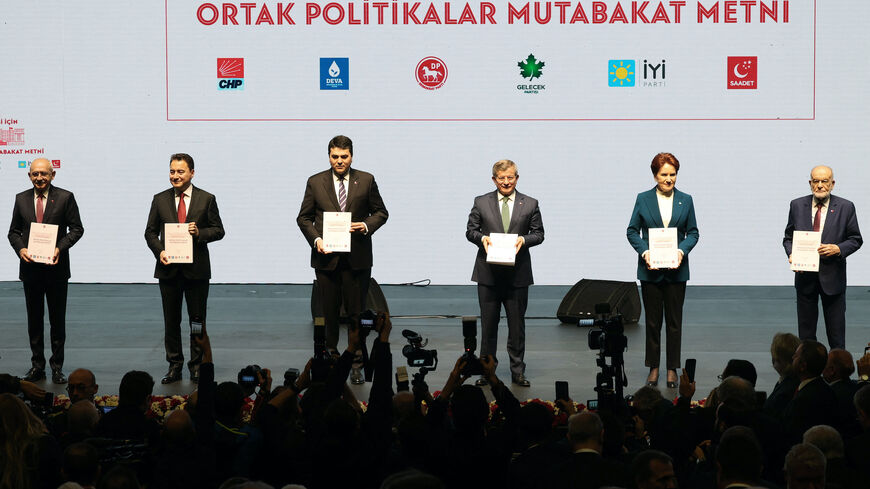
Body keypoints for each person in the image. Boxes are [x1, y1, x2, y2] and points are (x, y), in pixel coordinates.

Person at [296, 135, 388, 384]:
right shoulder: (315, 182)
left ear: (351, 156)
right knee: (329, 315)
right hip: (326, 260)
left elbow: (381, 212)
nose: (339, 161)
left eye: (344, 157)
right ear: (329, 156)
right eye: (335, 156)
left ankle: (356, 363)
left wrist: (366, 225)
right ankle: (331, 360)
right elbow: (303, 218)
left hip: (357, 259)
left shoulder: (366, 180)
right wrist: (317, 240)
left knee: (357, 315)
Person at [145, 153, 225, 384]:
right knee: (171, 321)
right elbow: (150, 232)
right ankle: (174, 365)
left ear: (192, 172)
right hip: (168, 270)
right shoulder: (159, 199)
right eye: (172, 171)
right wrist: (159, 251)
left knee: (197, 320)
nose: (175, 176)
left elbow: (218, 230)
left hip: (196, 271)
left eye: (180, 171)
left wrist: (200, 233)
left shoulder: (206, 198)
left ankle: (197, 365)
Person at [466, 159, 544, 387]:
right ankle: (486, 371)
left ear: (517, 178)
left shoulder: (530, 203)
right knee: (488, 327)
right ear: (494, 180)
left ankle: (517, 371)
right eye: (502, 178)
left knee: (517, 328)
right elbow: (470, 231)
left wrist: (524, 239)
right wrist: (482, 239)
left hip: (517, 276)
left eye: (510, 177)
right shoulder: (481, 202)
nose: (506, 182)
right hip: (488, 276)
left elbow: (539, 234)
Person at [8, 157, 84, 384]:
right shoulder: (21, 199)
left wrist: (59, 248)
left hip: (56, 269)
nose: (39, 178)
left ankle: (57, 367)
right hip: (30, 269)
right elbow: (13, 232)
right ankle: (37, 366)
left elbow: (77, 229)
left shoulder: (65, 197)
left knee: (57, 321)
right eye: (35, 174)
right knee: (34, 320)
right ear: (29, 176)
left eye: (44, 173)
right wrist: (21, 249)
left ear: (52, 174)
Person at [627, 152, 699, 388]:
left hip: (677, 271)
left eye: (673, 174)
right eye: (664, 174)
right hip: (650, 270)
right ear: (655, 175)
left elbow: (693, 233)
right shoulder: (643, 198)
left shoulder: (686, 199)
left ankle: (672, 368)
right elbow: (632, 231)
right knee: (653, 322)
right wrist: (645, 252)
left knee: (675, 322)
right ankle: (653, 367)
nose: (669, 179)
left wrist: (681, 251)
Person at [783, 165, 862, 350]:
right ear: (810, 183)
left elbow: (856, 239)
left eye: (824, 181)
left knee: (836, 337)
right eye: (816, 181)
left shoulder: (845, 207)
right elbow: (788, 238)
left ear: (832, 184)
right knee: (806, 337)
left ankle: (838, 375)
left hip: (833, 280)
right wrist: (792, 254)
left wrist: (838, 248)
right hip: (805, 279)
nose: (820, 185)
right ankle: (809, 375)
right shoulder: (796, 205)